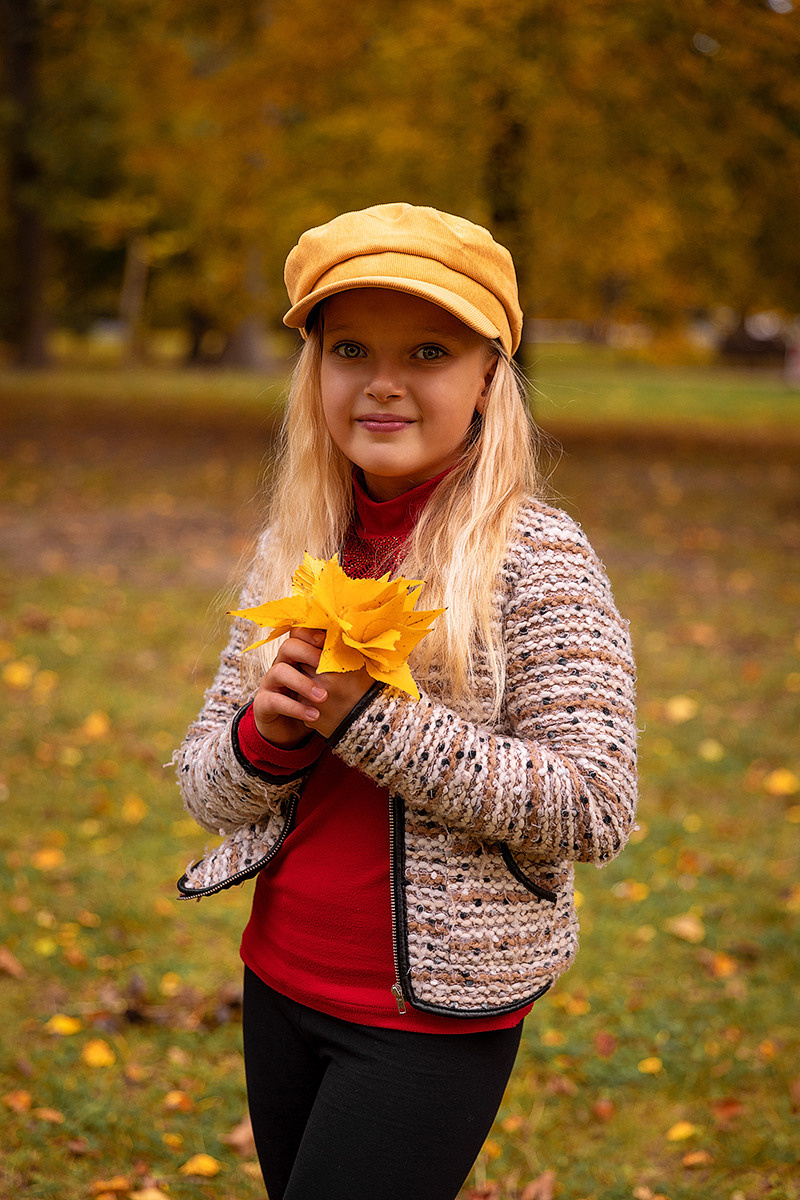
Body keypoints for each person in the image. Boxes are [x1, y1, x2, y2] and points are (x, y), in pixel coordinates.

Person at [174, 202, 638, 1200]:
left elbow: (593, 807)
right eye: (350, 350)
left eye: (428, 351)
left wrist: (369, 719)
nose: (382, 382)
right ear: (315, 373)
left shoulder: (537, 559)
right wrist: (266, 736)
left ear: (488, 377)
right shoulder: (298, 542)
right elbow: (206, 790)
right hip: (278, 978)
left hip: (430, 1018)